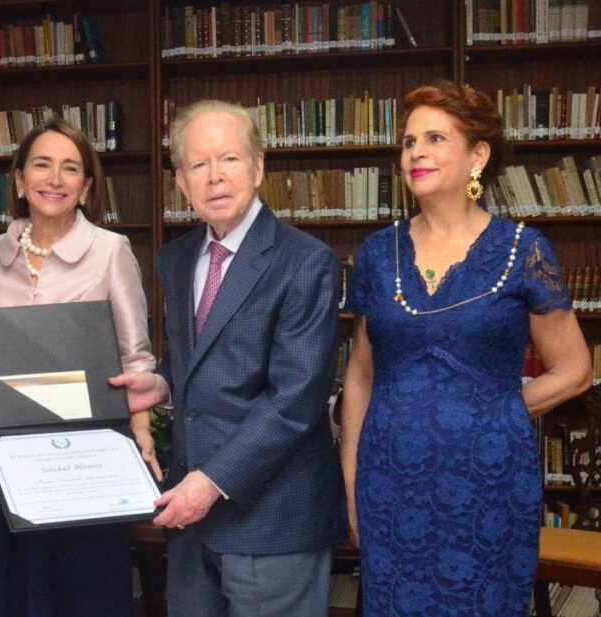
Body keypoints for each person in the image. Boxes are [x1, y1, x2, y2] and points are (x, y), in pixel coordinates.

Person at [340, 80, 593, 614]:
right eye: (409, 142)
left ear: (477, 155)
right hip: (390, 481)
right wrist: (351, 479)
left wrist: (492, 413)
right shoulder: (378, 253)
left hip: (489, 477)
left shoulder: (524, 250)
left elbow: (574, 371)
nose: (417, 153)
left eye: (435, 138)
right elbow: (360, 376)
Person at [112, 99, 346, 617]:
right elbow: (204, 355)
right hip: (193, 521)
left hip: (274, 516)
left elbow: (296, 400)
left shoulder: (306, 262)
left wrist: (212, 482)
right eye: (198, 164)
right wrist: (165, 383)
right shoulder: (175, 260)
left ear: (258, 167)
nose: (215, 177)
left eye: (230, 159)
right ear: (180, 182)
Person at [0, 117, 161, 617]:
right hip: (1, 460)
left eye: (69, 168)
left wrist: (142, 427)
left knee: (76, 597)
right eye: (41, 165)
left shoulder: (110, 251)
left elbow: (137, 357)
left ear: (86, 186)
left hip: (81, 462)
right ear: (18, 180)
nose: (54, 179)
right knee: (0, 595)